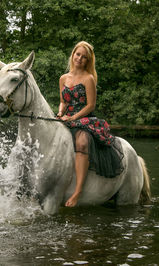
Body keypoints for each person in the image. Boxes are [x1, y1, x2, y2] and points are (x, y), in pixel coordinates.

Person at [57, 41, 123, 207]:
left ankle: (77, 191)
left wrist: (73, 119)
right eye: (77, 54)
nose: (80, 58)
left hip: (84, 119)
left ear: (88, 61)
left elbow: (90, 105)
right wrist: (60, 113)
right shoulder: (63, 78)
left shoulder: (89, 78)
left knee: (82, 142)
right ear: (73, 55)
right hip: (67, 117)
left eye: (84, 57)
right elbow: (63, 102)